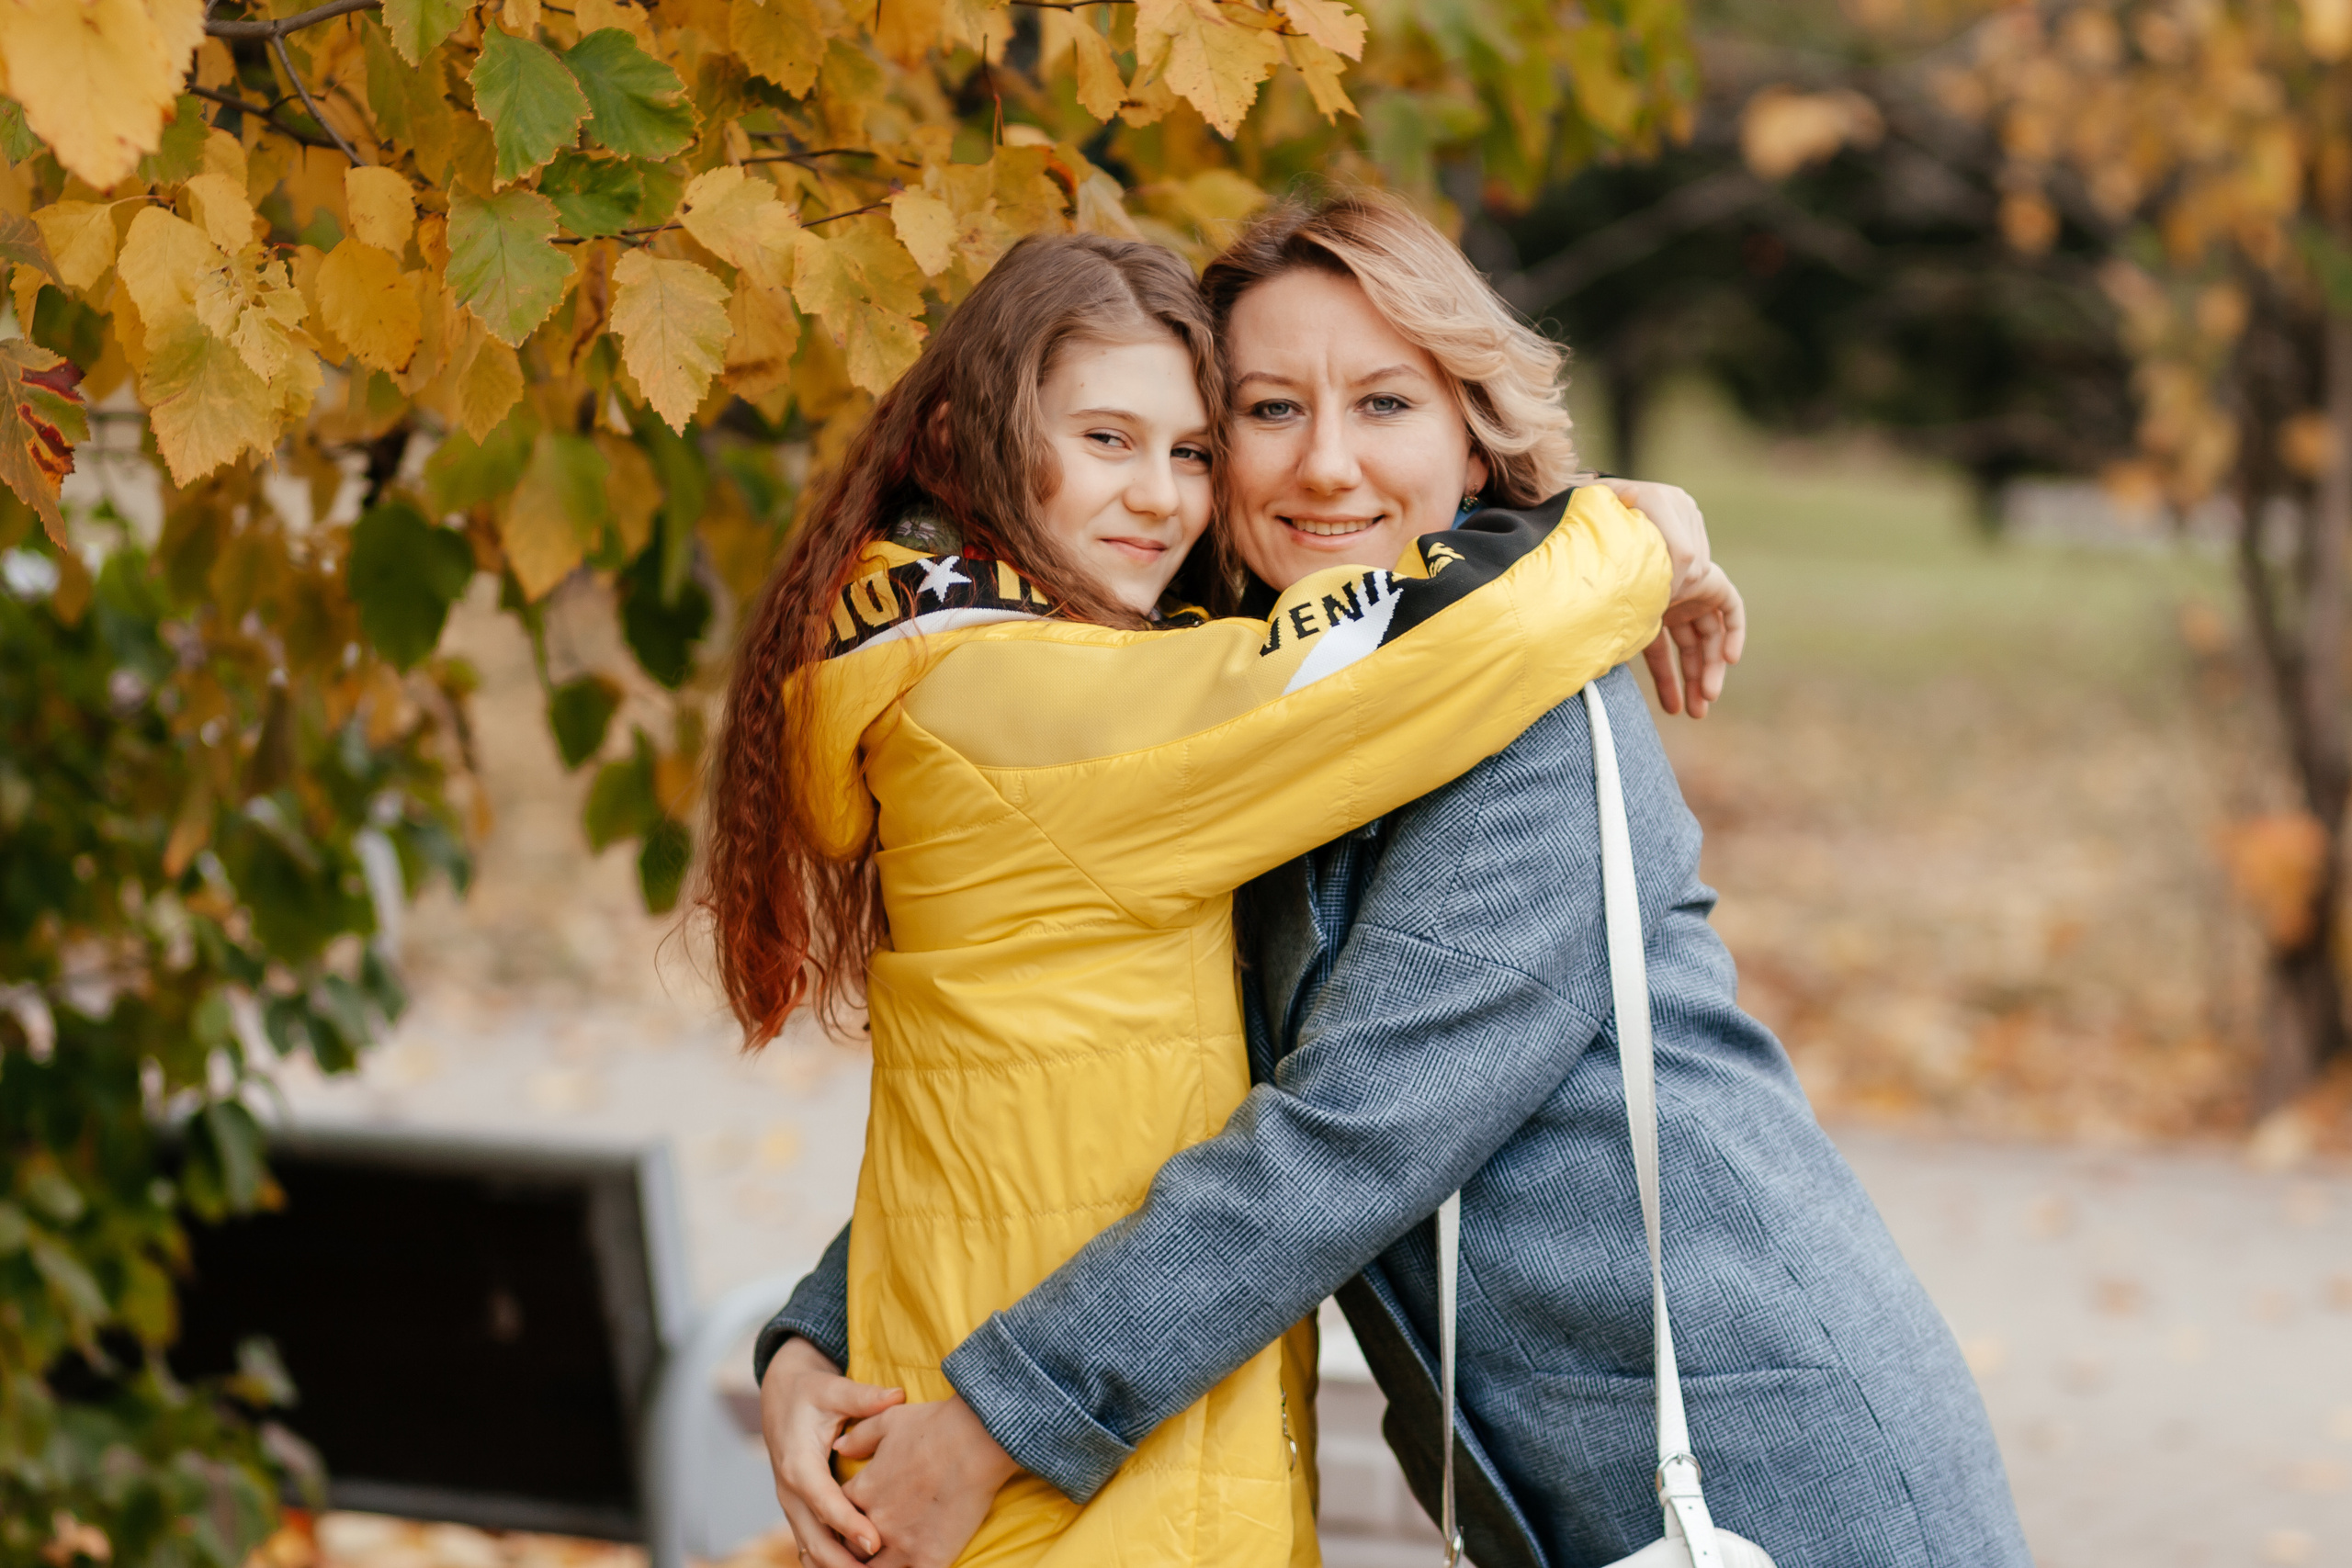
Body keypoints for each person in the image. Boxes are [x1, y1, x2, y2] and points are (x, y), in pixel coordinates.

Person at [756, 196, 2033, 1568]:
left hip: (1781, 1480)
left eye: (1383, 404)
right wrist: (824, 1333)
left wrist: (998, 1421)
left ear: (1473, 438)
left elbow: (1345, 1141)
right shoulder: (1241, 735)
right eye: (1264, 412)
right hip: (1572, 1513)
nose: (1327, 468)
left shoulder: (1541, 725)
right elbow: (1080, 1091)